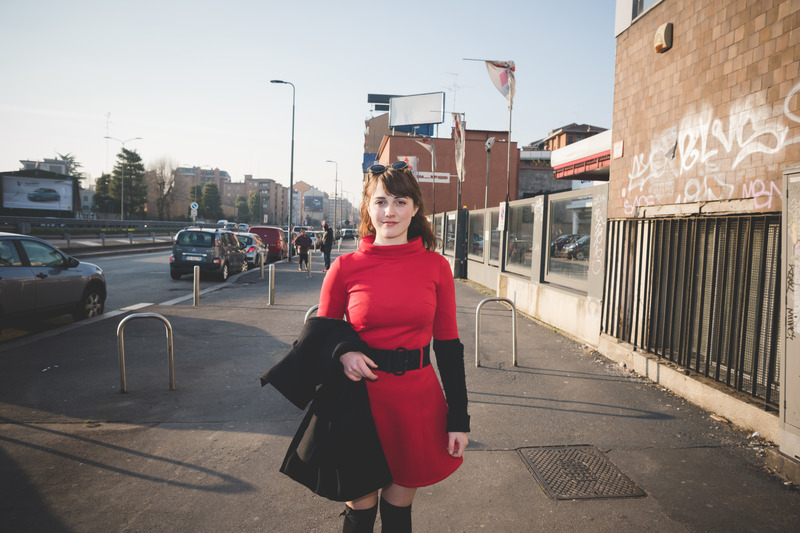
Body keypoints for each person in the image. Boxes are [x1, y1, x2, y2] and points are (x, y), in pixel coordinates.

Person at [318, 161, 470, 532]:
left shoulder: (436, 267)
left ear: (415, 208)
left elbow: (449, 346)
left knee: (398, 512)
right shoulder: (345, 267)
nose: (390, 212)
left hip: (416, 403)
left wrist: (458, 419)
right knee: (361, 507)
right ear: (368, 207)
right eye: (381, 201)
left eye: (400, 202)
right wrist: (345, 351)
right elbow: (320, 333)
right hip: (358, 401)